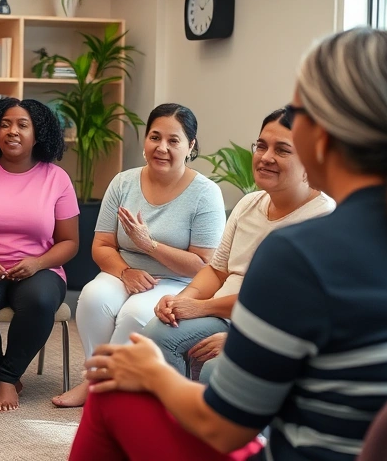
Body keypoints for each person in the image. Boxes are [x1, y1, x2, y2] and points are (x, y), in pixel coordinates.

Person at [71, 27, 387, 461]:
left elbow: (225, 428)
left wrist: (152, 374)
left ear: (319, 136)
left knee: (114, 392)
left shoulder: (301, 251)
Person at [142, 108, 334, 384]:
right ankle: (174, 423)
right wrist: (182, 301)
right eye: (262, 146)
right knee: (155, 336)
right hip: (224, 313)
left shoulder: (322, 218)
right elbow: (217, 271)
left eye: (282, 150)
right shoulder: (249, 204)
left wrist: (205, 310)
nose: (266, 157)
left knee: (215, 371)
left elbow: (286, 304)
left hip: (272, 327)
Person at [54, 103, 226, 408]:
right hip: (124, 272)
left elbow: (203, 265)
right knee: (93, 298)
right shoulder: (123, 182)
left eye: (174, 141)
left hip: (177, 281)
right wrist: (125, 272)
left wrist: (149, 245)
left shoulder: (205, 193)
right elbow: (102, 245)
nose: (162, 148)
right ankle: (101, 376)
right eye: (155, 137)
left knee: (134, 313)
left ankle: (96, 385)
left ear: (190, 146)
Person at [0, 97, 80, 412]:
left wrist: (38, 263)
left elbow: (69, 242)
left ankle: (6, 377)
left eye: (23, 124)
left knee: (39, 301)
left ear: (38, 134)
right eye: (5, 124)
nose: (13, 131)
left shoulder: (56, 178)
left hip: (40, 269)